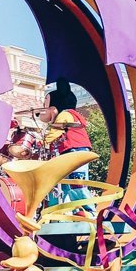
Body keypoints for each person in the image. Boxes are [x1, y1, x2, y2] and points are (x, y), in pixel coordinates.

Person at [40, 78, 95, 214]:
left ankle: (89, 211)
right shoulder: (72, 115)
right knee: (66, 183)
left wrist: (42, 141)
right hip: (73, 151)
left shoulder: (65, 115)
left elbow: (54, 135)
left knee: (76, 182)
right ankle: (73, 211)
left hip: (74, 151)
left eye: (46, 105)